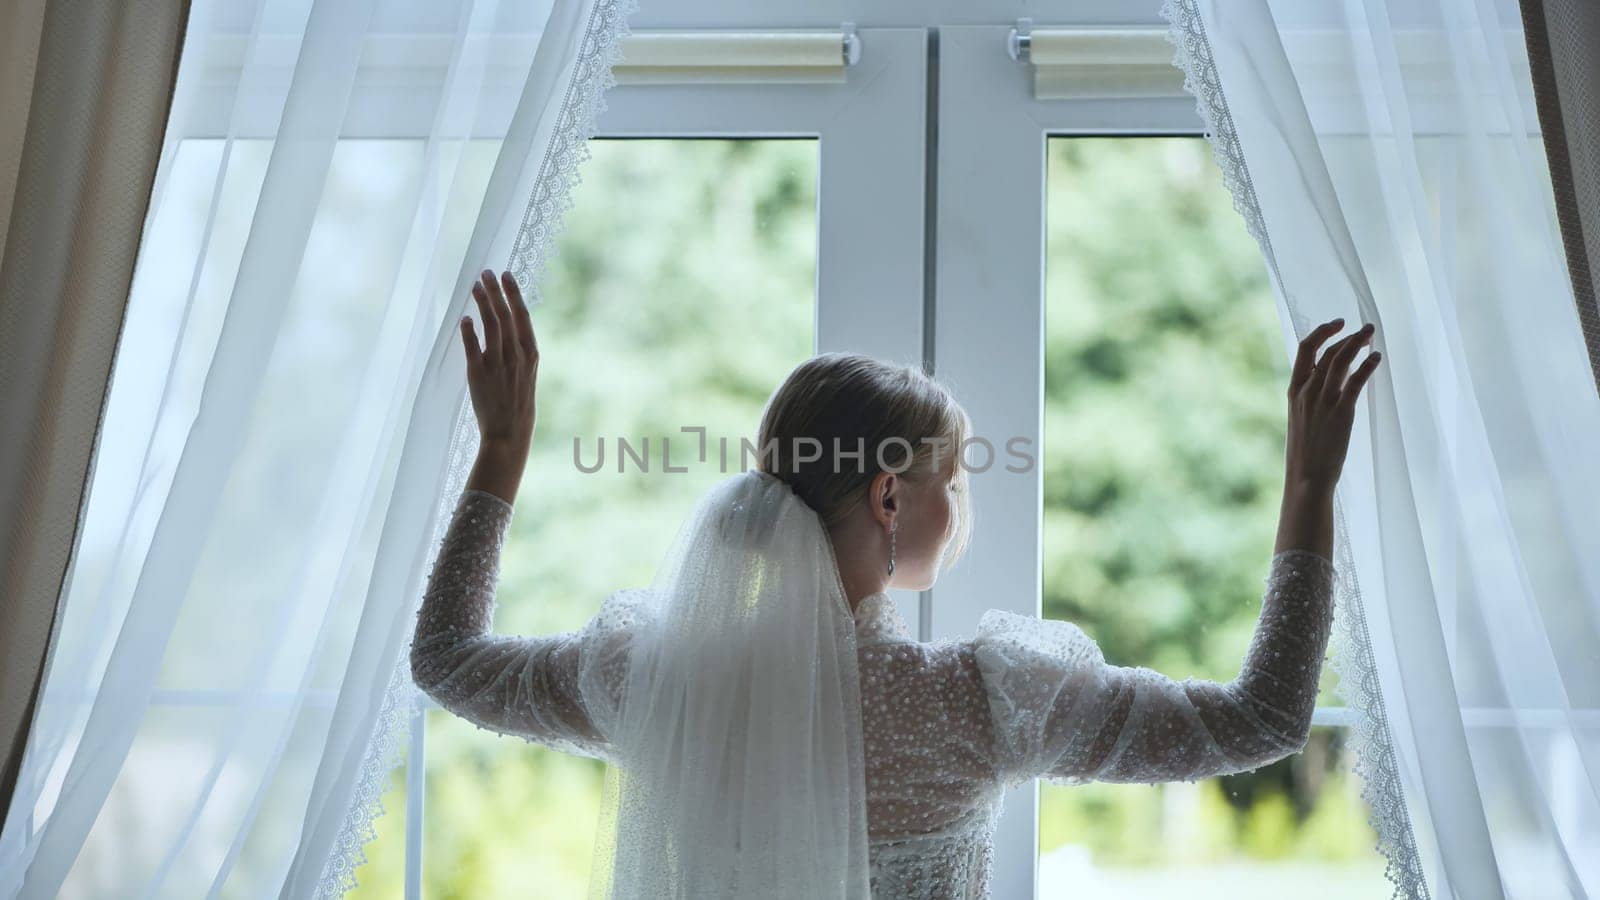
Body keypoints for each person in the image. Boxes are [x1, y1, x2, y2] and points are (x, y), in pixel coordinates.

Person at [410, 269, 1382, 898]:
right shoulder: (978, 704)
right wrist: (1309, 489)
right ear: (887, 497)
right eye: (952, 474)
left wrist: (499, 454)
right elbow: (1263, 720)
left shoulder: (659, 683)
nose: (963, 501)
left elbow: (446, 658)